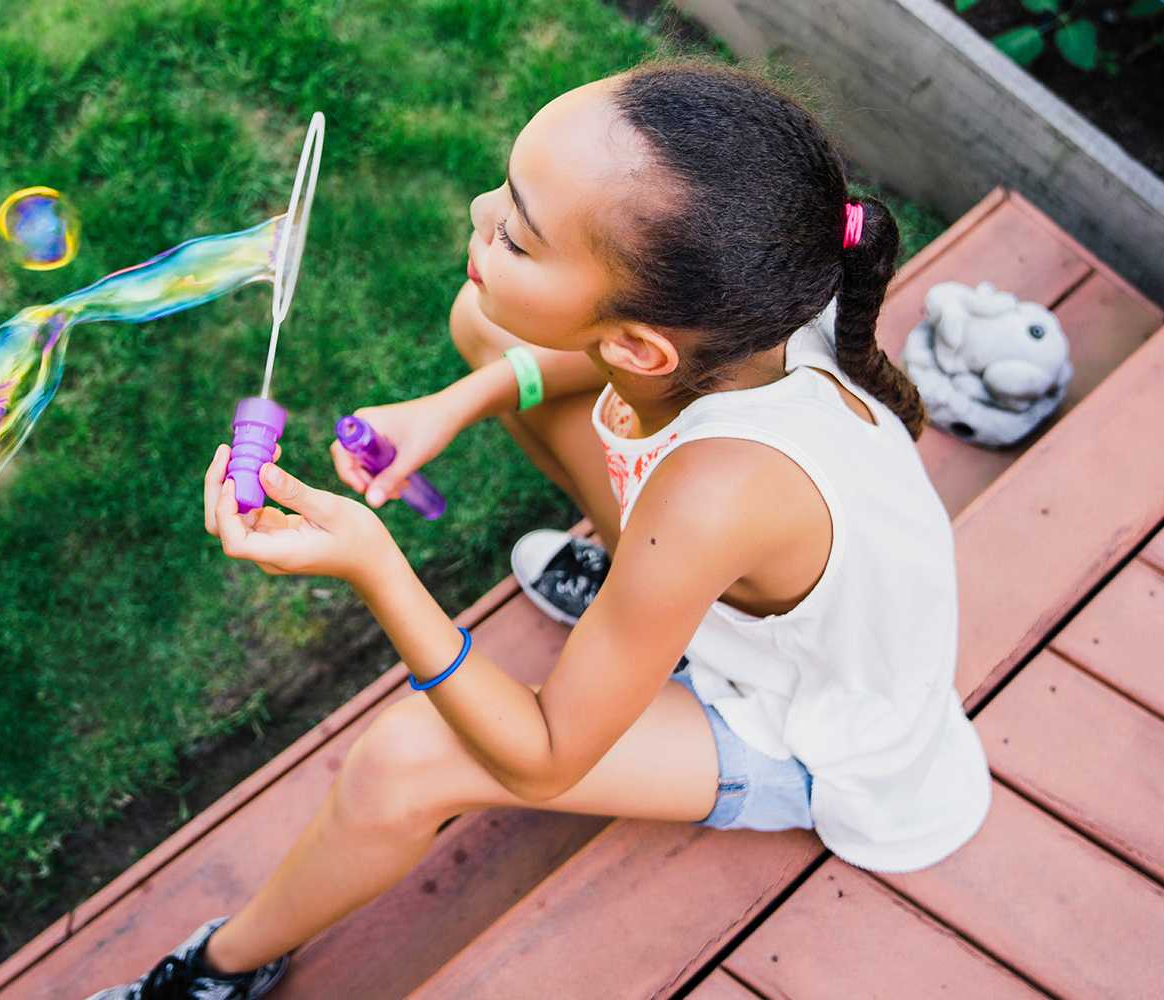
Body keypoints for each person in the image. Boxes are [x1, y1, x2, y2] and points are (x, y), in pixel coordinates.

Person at [88, 60, 990, 1000]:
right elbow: (597, 369)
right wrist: (453, 403)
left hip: (801, 728)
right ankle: (637, 612)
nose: (480, 214)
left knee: (407, 760)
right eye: (504, 196)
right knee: (485, 328)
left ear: (641, 346)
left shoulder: (716, 493)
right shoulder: (758, 310)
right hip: (716, 581)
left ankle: (213, 976)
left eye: (516, 235)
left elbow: (549, 753)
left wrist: (374, 565)